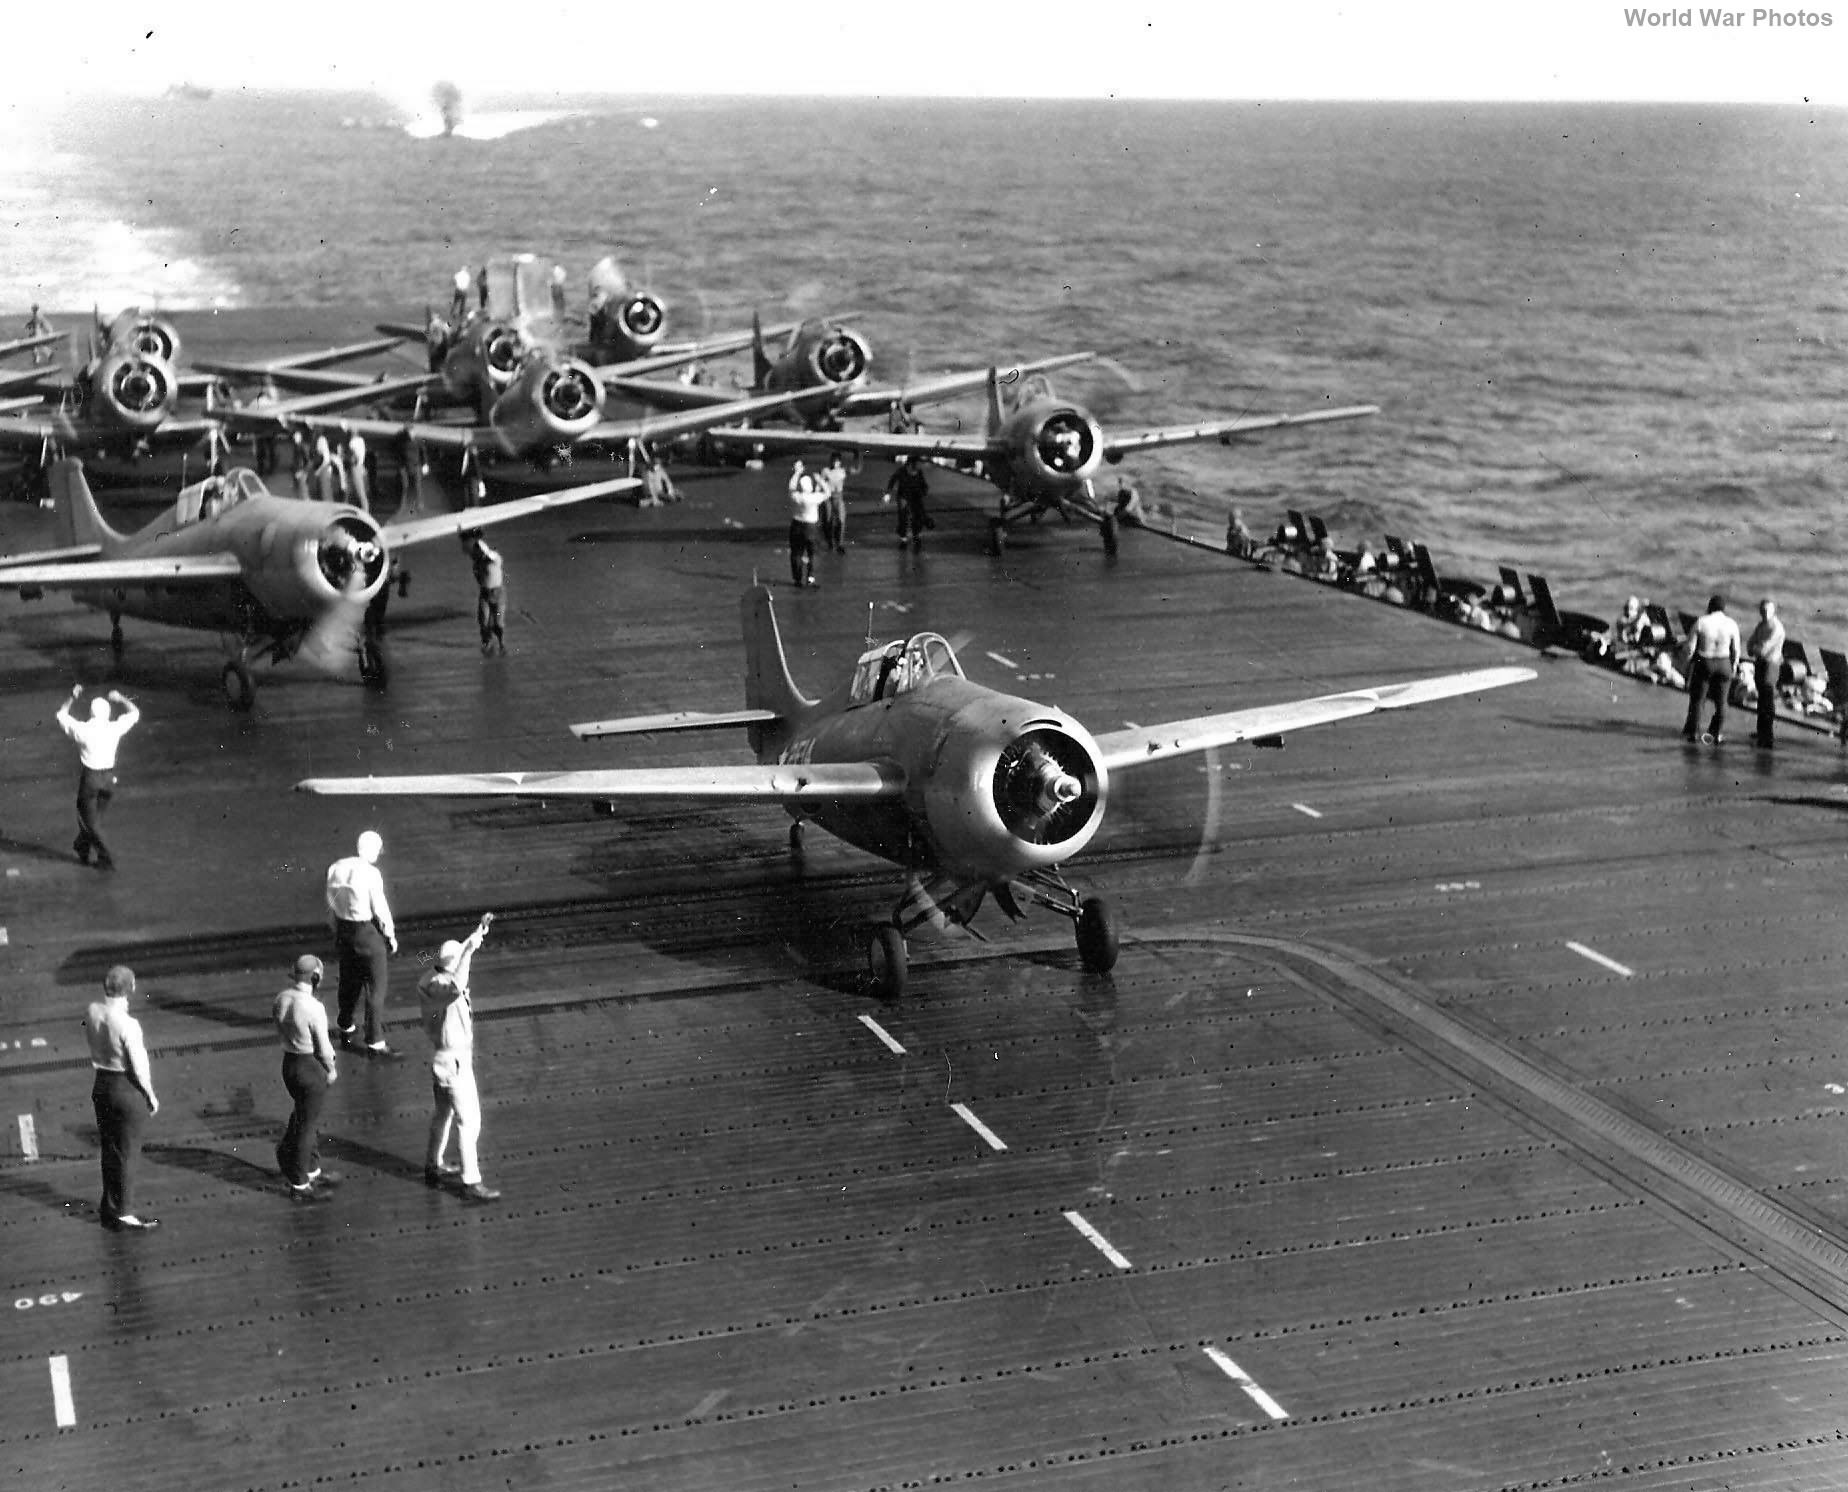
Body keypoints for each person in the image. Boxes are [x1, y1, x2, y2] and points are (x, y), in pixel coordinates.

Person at [418, 913, 501, 1202]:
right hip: (456, 1063)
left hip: (440, 1060)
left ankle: (433, 1164)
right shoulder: (445, 989)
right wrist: (467, 952)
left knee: (442, 1114)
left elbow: (458, 958)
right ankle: (471, 1181)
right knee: (470, 1122)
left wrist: (476, 935)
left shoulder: (429, 979)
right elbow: (459, 980)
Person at [85, 966, 159, 1231]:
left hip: (101, 1083)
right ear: (132, 988)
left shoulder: (93, 1011)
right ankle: (124, 1212)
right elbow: (139, 1066)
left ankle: (110, 1205)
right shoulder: (129, 1024)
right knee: (128, 1151)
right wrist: (149, 1094)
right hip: (125, 1087)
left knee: (109, 1148)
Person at [325, 830, 399, 1055]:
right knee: (376, 987)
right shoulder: (371, 873)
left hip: (343, 930)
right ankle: (375, 1041)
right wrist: (390, 935)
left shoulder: (335, 867)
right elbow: (380, 908)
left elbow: (331, 904)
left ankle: (345, 1024)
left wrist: (337, 929)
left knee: (348, 980)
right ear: (374, 849)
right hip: (365, 932)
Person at [273, 954, 340, 1201]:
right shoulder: (313, 1007)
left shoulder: (282, 998)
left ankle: (312, 1169)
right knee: (308, 1126)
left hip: (289, 1062)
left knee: (303, 1115)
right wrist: (330, 1069)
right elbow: (323, 1047)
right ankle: (300, 1184)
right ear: (315, 978)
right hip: (309, 1066)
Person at [57, 685, 139, 869]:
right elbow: (135, 713)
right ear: (108, 713)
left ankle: (106, 858)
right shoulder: (115, 727)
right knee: (94, 820)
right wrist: (120, 698)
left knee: (88, 820)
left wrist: (71, 696)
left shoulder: (83, 730)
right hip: (109, 779)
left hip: (91, 778)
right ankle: (82, 846)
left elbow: (61, 715)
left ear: (91, 713)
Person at [1682, 593, 1742, 744]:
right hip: (1723, 662)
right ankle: (1717, 733)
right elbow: (1736, 650)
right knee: (1722, 702)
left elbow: (1690, 648)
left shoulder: (1701, 622)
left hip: (1705, 661)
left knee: (1698, 699)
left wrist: (1688, 664)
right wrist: (1733, 666)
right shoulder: (1731, 624)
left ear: (1710, 607)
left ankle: (1694, 733)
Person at [1746, 597, 1786, 750]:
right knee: (1762, 699)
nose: (1764, 613)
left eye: (1767, 610)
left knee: (1767, 699)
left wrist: (1755, 648)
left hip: (1771, 664)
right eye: (1762, 610)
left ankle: (1767, 736)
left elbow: (1763, 649)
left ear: (1773, 610)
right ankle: (1760, 731)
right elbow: (1750, 645)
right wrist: (1755, 648)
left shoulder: (1776, 628)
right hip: (1761, 664)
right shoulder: (1761, 625)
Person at [463, 531, 506, 653]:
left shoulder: (495, 559)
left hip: (498, 595)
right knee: (483, 620)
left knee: (498, 621)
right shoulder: (477, 564)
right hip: (485, 594)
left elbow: (491, 555)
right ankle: (487, 642)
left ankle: (501, 643)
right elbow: (478, 578)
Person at [786, 463, 826, 586]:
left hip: (797, 525)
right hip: (811, 527)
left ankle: (797, 579)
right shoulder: (815, 497)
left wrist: (797, 473)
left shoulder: (797, 496)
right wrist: (820, 480)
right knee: (812, 554)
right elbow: (828, 492)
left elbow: (791, 487)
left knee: (796, 553)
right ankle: (810, 578)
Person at [887, 456, 930, 548]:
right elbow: (892, 480)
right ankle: (903, 539)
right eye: (917, 464)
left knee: (918, 517)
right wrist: (888, 493)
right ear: (910, 464)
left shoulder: (919, 472)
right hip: (904, 496)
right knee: (903, 518)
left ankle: (916, 536)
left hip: (916, 496)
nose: (919, 466)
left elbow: (923, 483)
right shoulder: (901, 471)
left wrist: (924, 490)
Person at [820, 453, 850, 551]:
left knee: (841, 519)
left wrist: (858, 453)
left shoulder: (843, 471)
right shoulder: (826, 471)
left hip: (839, 496)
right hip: (828, 496)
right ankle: (830, 542)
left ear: (840, 462)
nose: (835, 464)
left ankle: (840, 543)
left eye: (837, 462)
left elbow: (857, 469)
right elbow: (820, 483)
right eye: (833, 461)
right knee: (828, 519)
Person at [343, 429, 369, 513]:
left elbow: (353, 457)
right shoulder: (361, 440)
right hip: (360, 466)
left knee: (358, 492)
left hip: (355, 467)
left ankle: (365, 513)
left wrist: (345, 455)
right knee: (352, 492)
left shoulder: (352, 442)